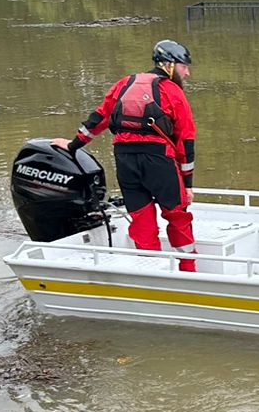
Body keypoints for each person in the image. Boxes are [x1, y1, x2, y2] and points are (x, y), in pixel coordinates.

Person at [69, 39, 198, 271]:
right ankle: (189, 270)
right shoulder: (173, 92)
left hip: (126, 161)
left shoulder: (124, 84)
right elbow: (185, 140)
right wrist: (188, 185)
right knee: (177, 216)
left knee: (141, 218)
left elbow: (98, 118)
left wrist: (73, 146)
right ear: (169, 65)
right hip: (159, 161)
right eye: (184, 66)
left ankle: (151, 274)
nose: (187, 73)